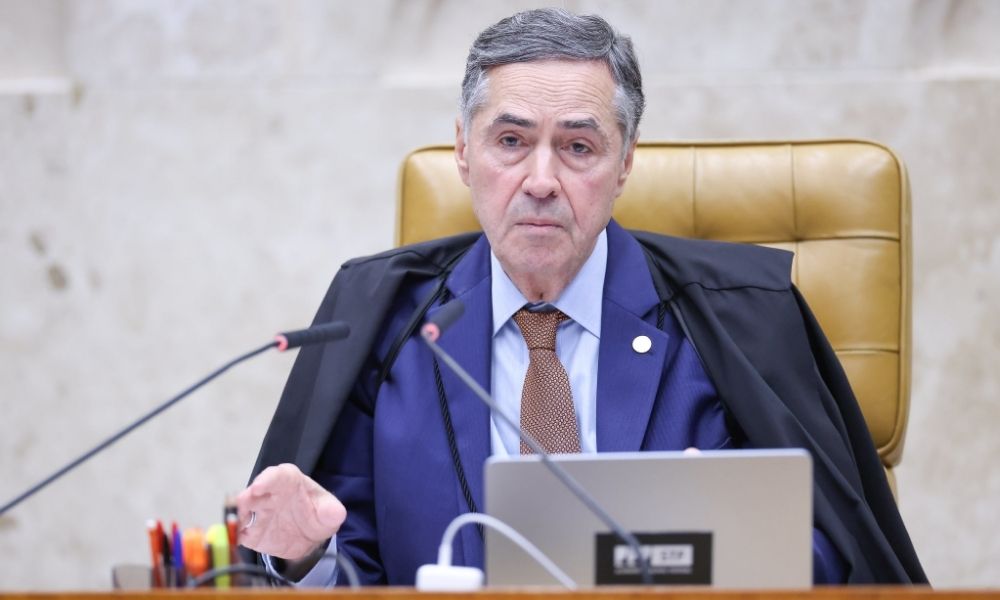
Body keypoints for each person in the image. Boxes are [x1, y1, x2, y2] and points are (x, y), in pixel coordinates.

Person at [236, 8, 927, 586]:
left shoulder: (739, 317)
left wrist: (735, 549)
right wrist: (306, 555)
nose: (541, 180)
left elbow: (843, 556)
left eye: (577, 148)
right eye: (512, 140)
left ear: (624, 162)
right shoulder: (385, 320)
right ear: (464, 152)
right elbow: (355, 566)